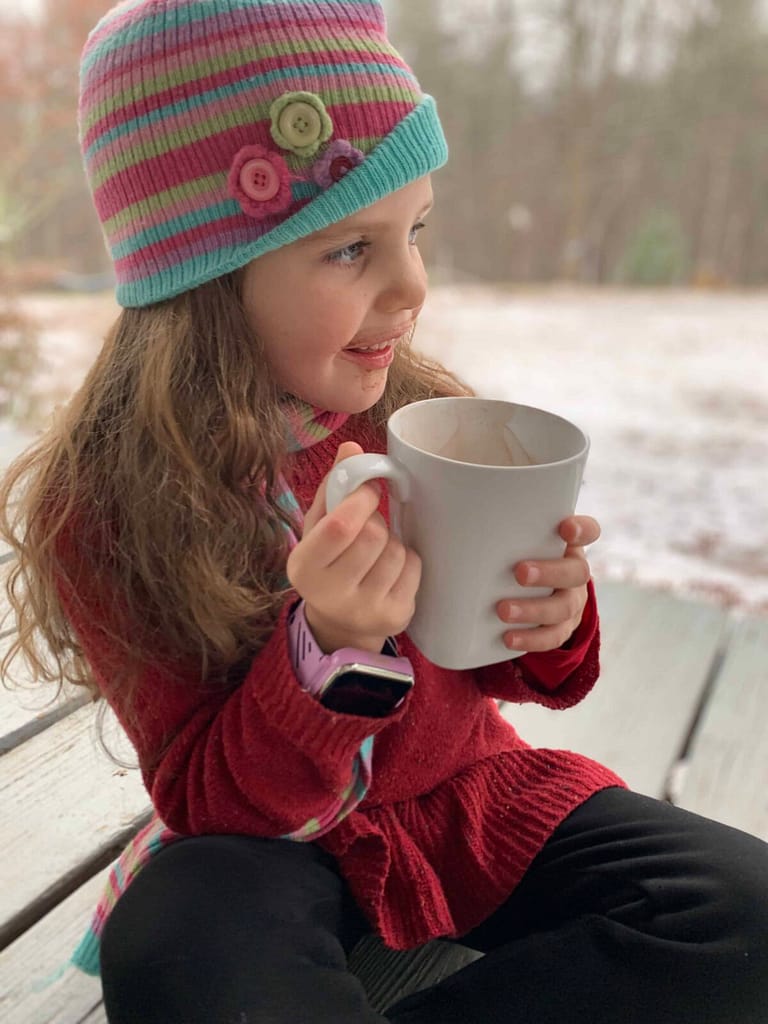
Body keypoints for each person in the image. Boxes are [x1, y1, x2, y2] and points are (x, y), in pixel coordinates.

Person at [2, 1, 767, 1021]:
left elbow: (495, 666)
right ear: (205, 282)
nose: (412, 284)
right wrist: (324, 652)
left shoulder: (411, 410)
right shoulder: (109, 501)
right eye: (350, 250)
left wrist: (545, 615)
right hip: (262, 844)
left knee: (743, 912)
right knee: (182, 951)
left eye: (416, 229)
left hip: (466, 794)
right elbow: (206, 796)